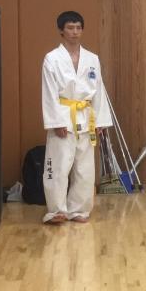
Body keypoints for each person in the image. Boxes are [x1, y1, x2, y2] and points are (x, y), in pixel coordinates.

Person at [40, 11, 112, 224]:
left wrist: (100, 121)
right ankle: (56, 210)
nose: (75, 32)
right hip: (63, 115)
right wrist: (56, 122)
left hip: (86, 117)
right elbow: (49, 92)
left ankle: (79, 209)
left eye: (78, 28)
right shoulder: (52, 58)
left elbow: (99, 90)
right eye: (70, 28)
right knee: (58, 166)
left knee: (85, 168)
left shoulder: (92, 58)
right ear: (61, 31)